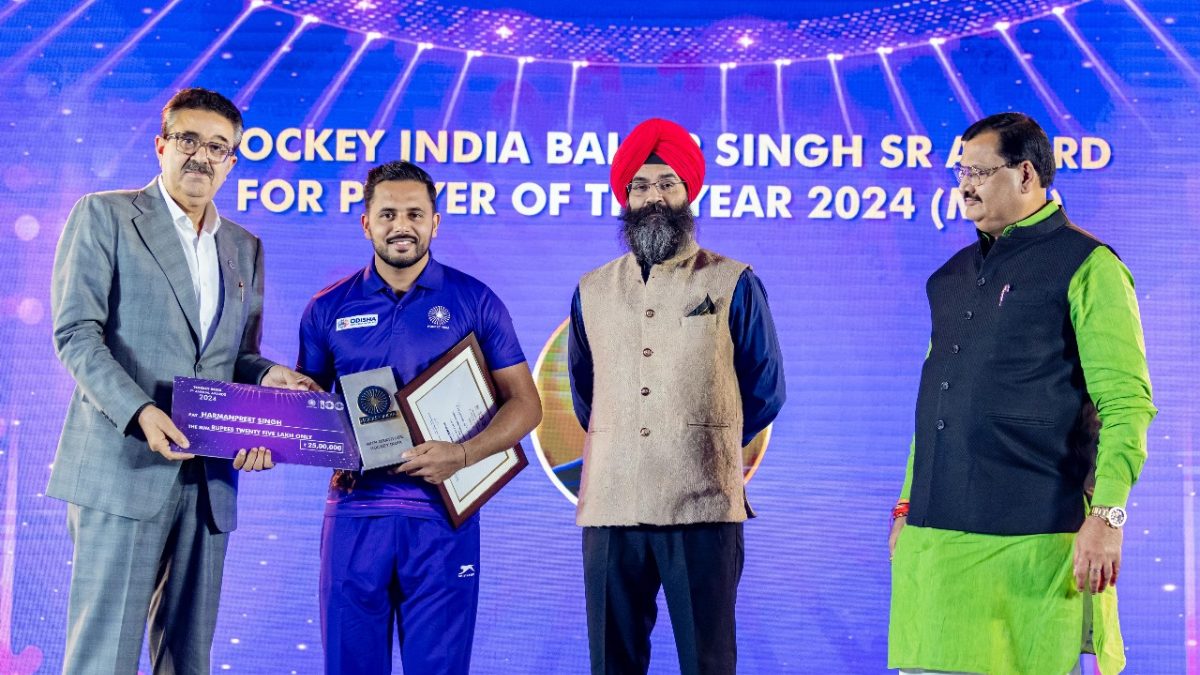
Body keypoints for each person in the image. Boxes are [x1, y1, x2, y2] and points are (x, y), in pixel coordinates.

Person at [49, 87, 316, 673]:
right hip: (122, 468)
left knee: (188, 659)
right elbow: (76, 335)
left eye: (218, 147)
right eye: (189, 140)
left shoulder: (244, 247)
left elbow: (234, 358)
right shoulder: (105, 216)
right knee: (103, 658)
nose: (202, 155)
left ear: (232, 161)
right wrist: (140, 412)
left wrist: (271, 377)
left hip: (209, 480)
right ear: (161, 145)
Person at [887, 112, 1157, 675]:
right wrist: (908, 503)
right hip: (936, 544)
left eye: (979, 172)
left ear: (1026, 174)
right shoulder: (950, 276)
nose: (964, 185)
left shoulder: (1088, 265)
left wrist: (1107, 518)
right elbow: (939, 398)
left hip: (1035, 546)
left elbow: (1126, 402)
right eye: (960, 171)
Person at [296, 160, 542, 674]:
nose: (401, 225)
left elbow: (527, 404)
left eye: (414, 212)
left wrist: (464, 453)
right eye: (387, 214)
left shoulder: (475, 300)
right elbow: (307, 410)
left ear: (436, 220)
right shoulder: (326, 308)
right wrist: (259, 430)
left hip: (441, 516)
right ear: (366, 222)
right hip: (354, 512)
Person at [567, 118, 786, 675]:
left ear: (689, 192)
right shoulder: (591, 289)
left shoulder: (732, 281)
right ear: (624, 198)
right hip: (611, 507)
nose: (653, 197)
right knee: (611, 664)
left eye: (666, 183)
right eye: (639, 187)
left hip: (703, 505)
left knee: (707, 663)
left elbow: (765, 388)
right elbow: (585, 393)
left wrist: (699, 436)